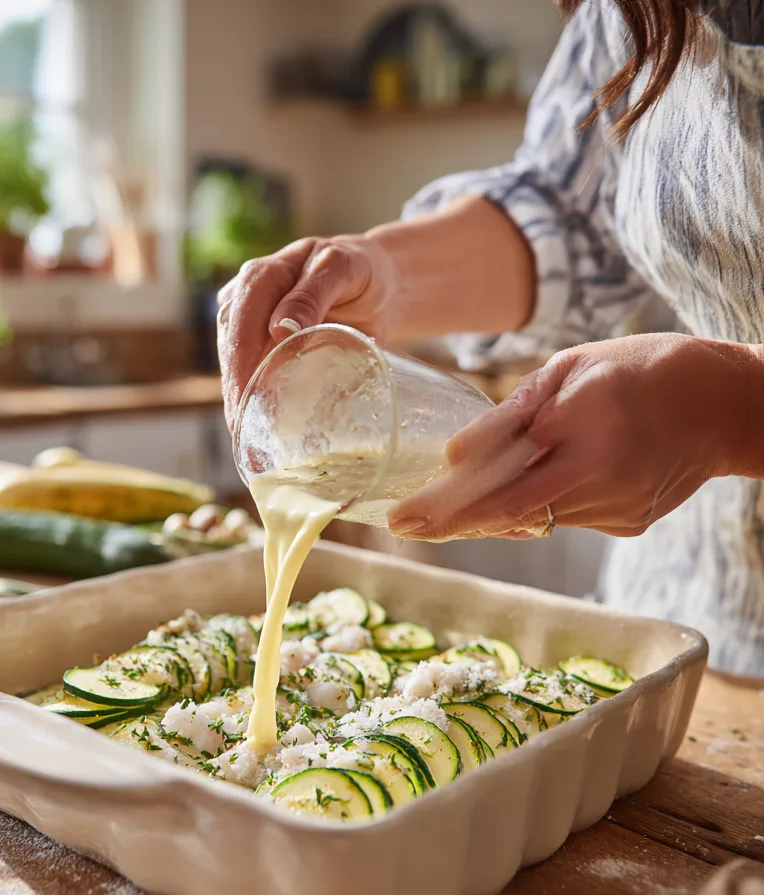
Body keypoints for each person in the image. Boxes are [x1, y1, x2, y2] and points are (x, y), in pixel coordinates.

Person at [215, 0, 764, 677]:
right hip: (682, 624)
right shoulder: (623, 11)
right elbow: (575, 215)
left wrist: (733, 410)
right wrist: (387, 271)